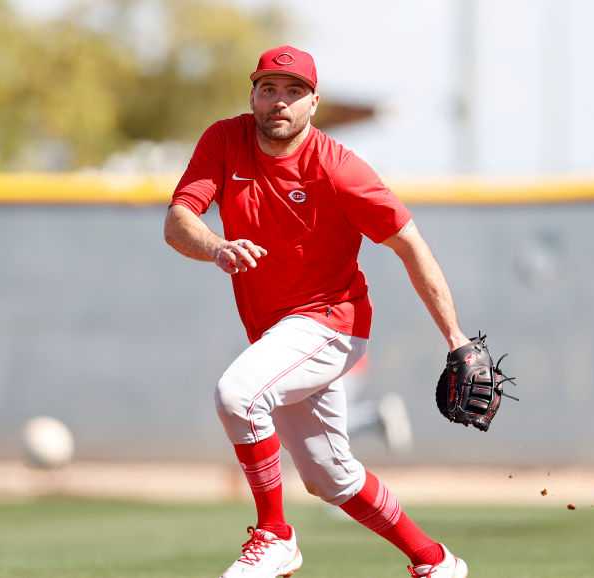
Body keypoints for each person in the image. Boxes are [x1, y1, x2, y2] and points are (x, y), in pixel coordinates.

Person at [164, 45, 471, 578]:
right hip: (278, 334)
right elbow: (178, 222)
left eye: (293, 92)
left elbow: (410, 244)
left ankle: (275, 536)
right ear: (253, 94)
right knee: (332, 477)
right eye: (268, 89)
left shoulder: (339, 168)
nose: (279, 101)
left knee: (238, 395)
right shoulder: (225, 140)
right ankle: (435, 561)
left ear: (313, 103)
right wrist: (216, 246)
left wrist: (456, 338)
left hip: (332, 322)